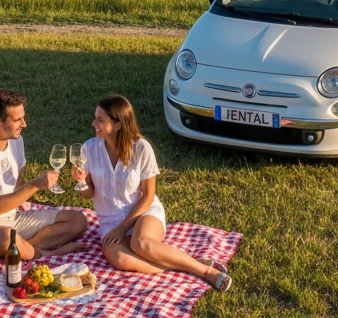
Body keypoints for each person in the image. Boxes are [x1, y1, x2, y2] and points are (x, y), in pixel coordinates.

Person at [71, 94, 231, 291]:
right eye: (96, 117)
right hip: (110, 220)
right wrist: (80, 182)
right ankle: (180, 264)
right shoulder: (89, 148)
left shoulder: (141, 148)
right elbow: (89, 194)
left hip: (143, 213)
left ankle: (204, 271)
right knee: (120, 259)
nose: (93, 123)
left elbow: (148, 196)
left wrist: (122, 229)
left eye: (100, 120)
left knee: (141, 244)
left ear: (119, 124)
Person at [0, 89, 88, 259]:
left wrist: (25, 198)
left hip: (11, 218)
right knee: (6, 238)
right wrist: (35, 185)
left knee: (77, 221)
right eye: (17, 120)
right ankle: (46, 253)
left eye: (23, 117)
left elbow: (18, 183)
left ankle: (23, 249)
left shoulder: (16, 141)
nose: (24, 124)